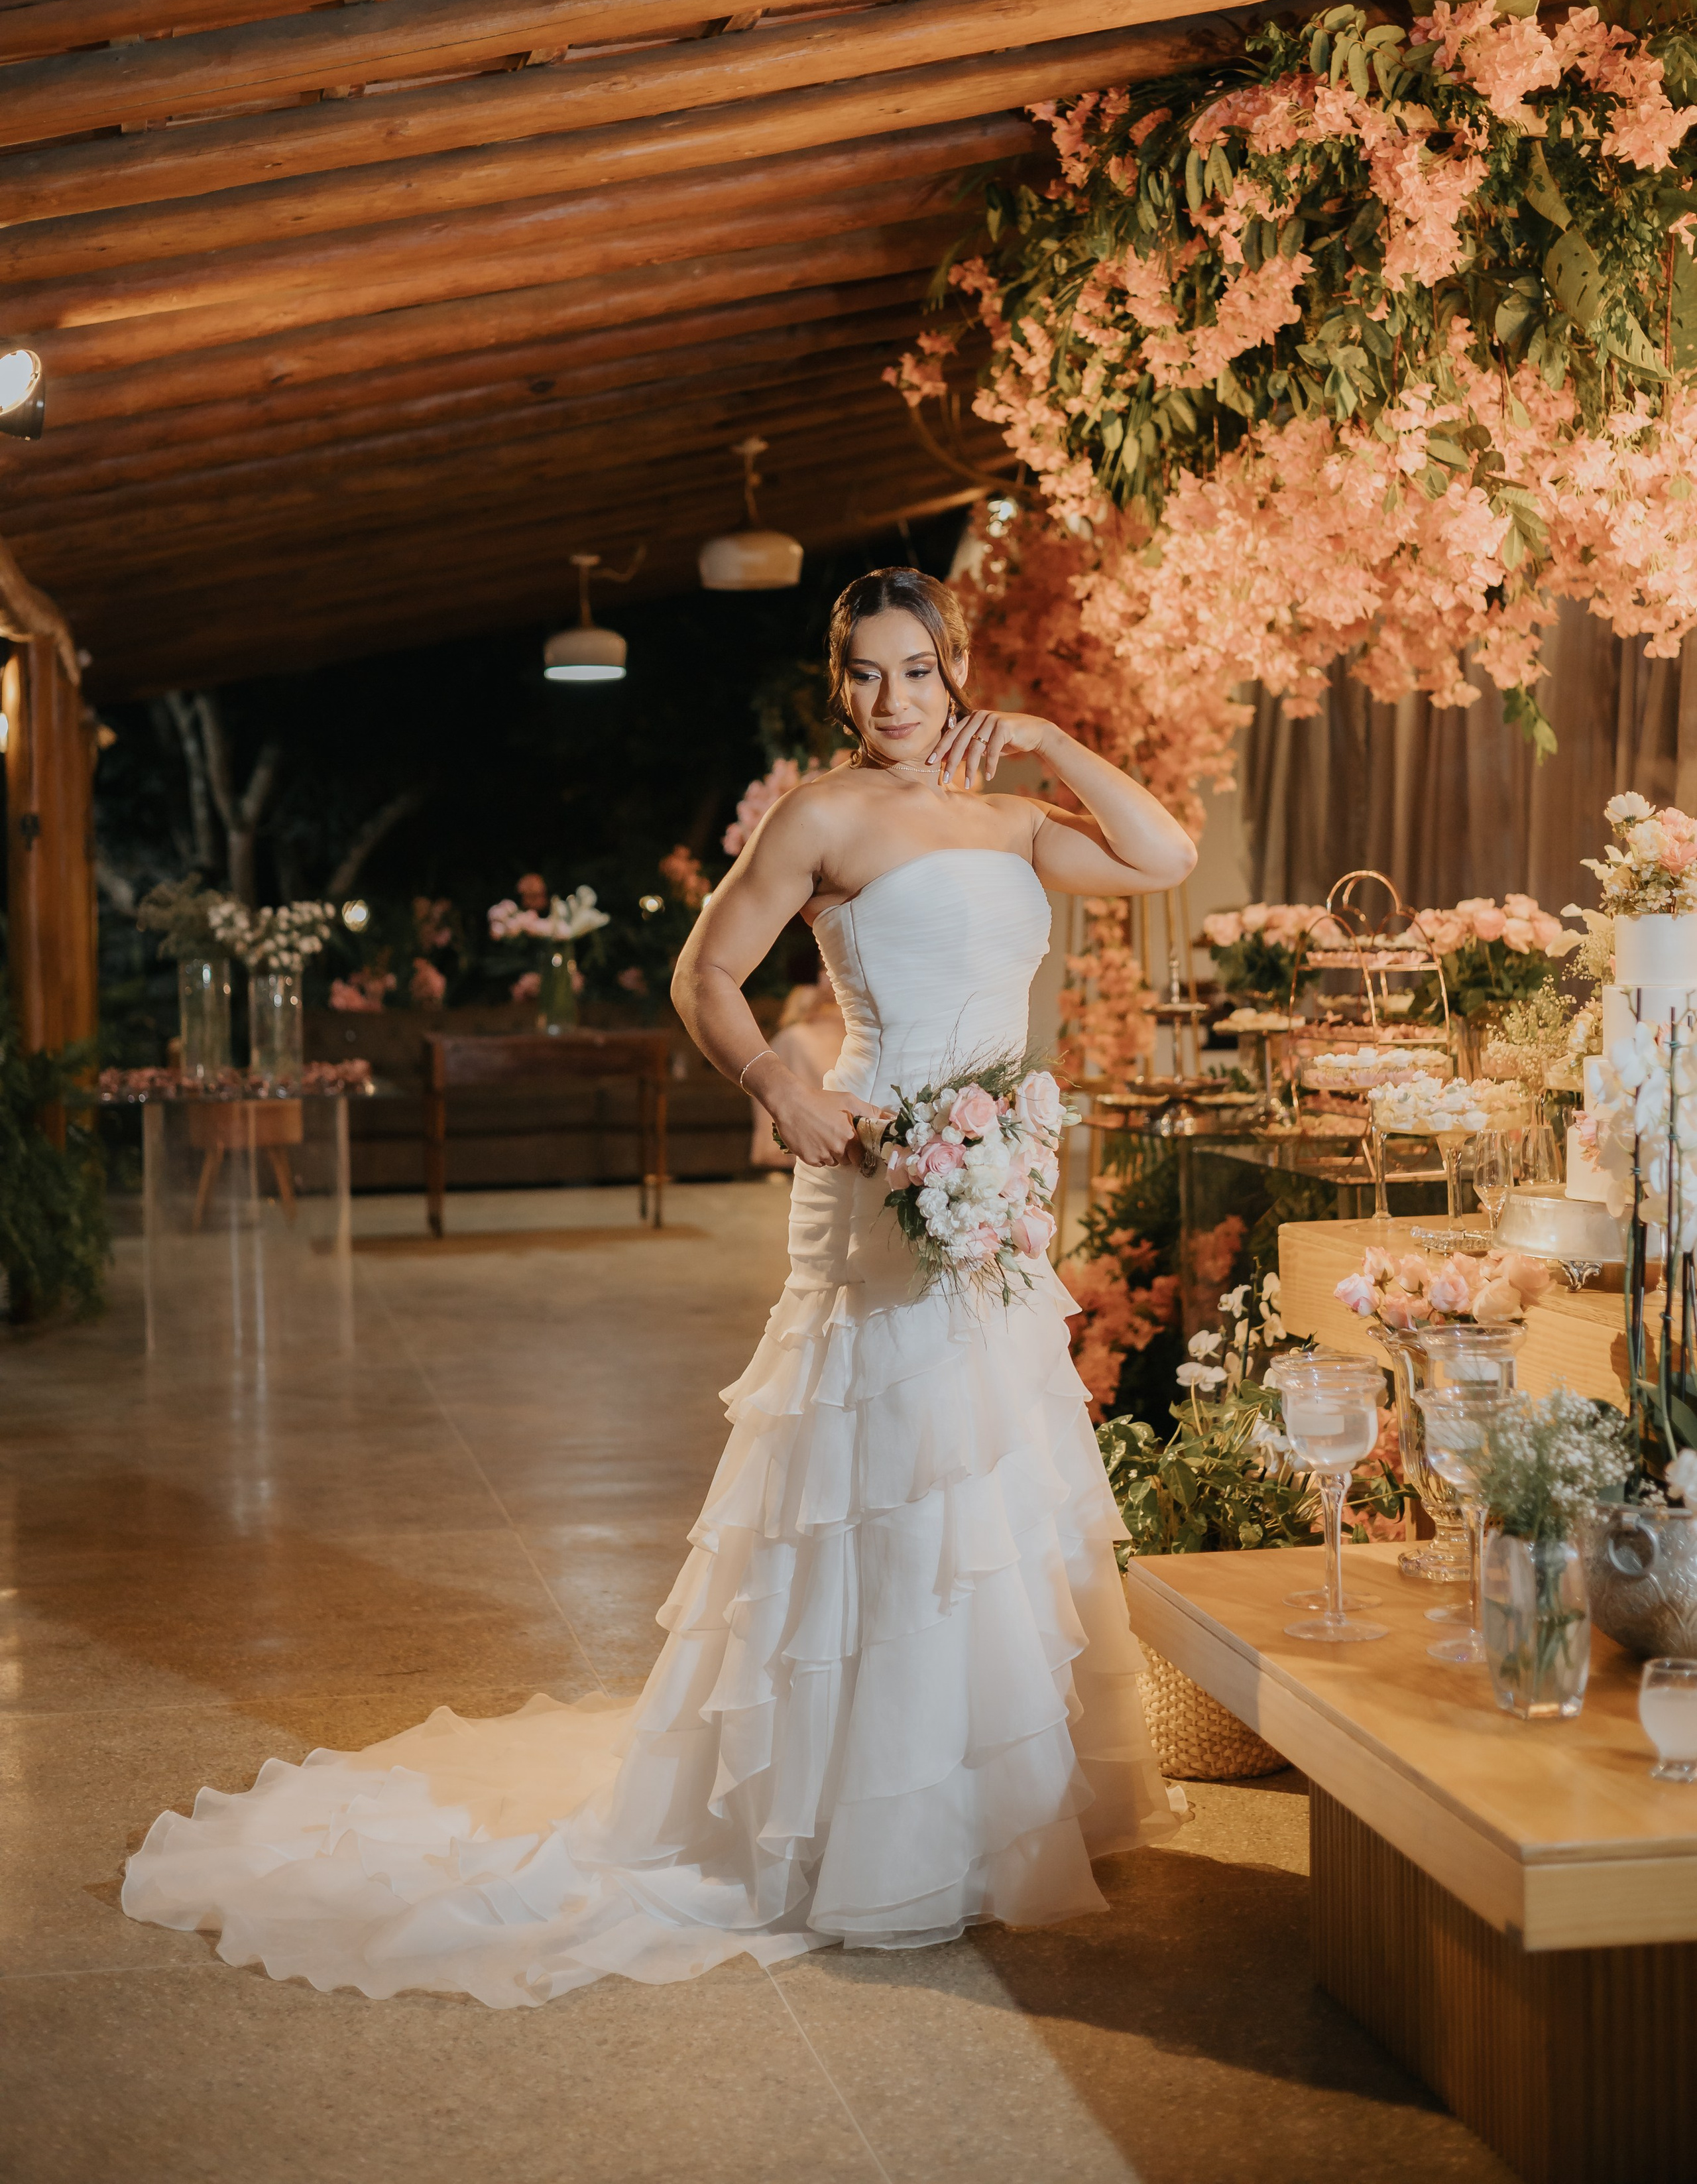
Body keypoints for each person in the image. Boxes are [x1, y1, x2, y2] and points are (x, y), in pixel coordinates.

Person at [121, 566, 1198, 2006]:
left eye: (916, 673)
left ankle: (984, 1810)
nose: (889, 702)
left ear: (956, 675)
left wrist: (1052, 747)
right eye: (864, 675)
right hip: (875, 1162)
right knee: (868, 1473)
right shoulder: (818, 815)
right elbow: (708, 974)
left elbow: (1165, 854)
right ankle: (848, 1823)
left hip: (992, 1187)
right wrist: (774, 1080)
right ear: (840, 686)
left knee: (984, 1483)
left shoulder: (1013, 820)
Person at [747, 971, 847, 1171]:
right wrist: (818, 998)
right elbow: (792, 1017)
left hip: (843, 1039)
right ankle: (789, 1142)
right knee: (792, 1038)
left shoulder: (851, 975)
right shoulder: (811, 983)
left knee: (794, 1040)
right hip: (811, 1033)